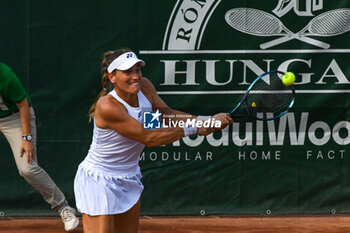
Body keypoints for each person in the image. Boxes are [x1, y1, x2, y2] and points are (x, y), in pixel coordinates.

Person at [73, 48, 233, 233]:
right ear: (112, 77)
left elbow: (163, 116)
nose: (135, 77)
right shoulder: (108, 106)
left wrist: (205, 120)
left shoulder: (145, 88)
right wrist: (194, 127)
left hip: (128, 176)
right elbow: (149, 137)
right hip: (100, 180)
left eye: (137, 70)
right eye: (127, 72)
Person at [0, 62, 79, 232]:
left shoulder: (5, 74)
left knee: (27, 168)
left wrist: (26, 138)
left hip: (15, 118)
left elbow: (23, 105)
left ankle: (63, 207)